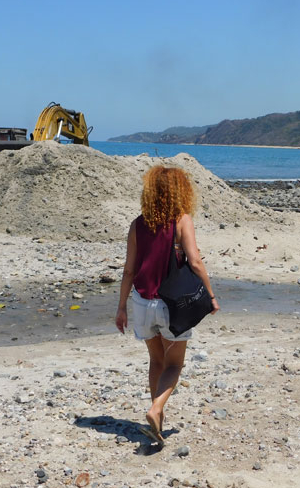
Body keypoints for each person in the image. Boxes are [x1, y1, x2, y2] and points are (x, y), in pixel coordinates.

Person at [115, 166, 220, 444]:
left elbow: (128, 270)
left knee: (156, 360)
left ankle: (156, 424)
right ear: (180, 191)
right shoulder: (181, 220)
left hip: (141, 302)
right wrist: (210, 296)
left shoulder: (138, 224)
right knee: (174, 365)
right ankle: (156, 408)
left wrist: (121, 308)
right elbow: (195, 261)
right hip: (171, 307)